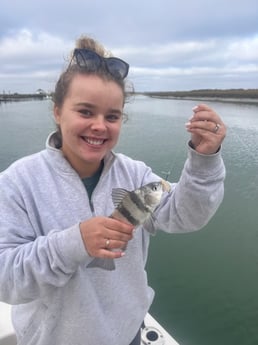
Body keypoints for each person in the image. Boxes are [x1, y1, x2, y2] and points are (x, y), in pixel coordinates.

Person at [0, 35, 226, 345]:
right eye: (85, 112)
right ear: (57, 111)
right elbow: (6, 280)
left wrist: (204, 160)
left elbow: (185, 215)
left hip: (126, 335)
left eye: (112, 116)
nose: (99, 126)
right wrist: (74, 242)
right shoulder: (17, 183)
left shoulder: (135, 174)